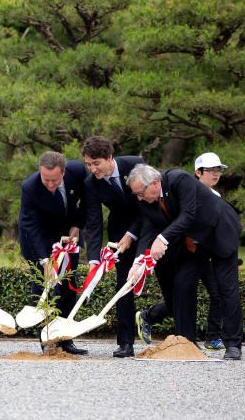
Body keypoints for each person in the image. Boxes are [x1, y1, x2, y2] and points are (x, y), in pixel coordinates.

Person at [126, 163, 243, 360]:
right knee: (182, 283)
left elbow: (188, 214)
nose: (139, 198)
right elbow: (148, 227)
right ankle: (185, 341)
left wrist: (161, 239)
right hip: (193, 243)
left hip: (220, 231)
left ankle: (233, 345)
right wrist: (137, 263)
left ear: (154, 184)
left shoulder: (179, 179)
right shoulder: (146, 200)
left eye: (140, 193)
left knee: (226, 288)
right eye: (136, 194)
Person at [137, 152, 227, 349]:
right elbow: (170, 222)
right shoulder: (180, 189)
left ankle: (211, 336)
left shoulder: (216, 197)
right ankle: (157, 322)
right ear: (197, 172)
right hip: (184, 250)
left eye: (218, 170)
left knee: (217, 293)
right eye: (211, 170)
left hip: (205, 252)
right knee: (180, 293)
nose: (215, 174)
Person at [19, 151, 89, 355]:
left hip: (68, 236)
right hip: (38, 238)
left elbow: (88, 202)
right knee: (44, 286)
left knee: (68, 284)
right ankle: (46, 339)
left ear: (64, 173)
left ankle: (66, 338)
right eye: (45, 179)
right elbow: (31, 227)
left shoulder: (78, 172)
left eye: (54, 180)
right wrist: (45, 260)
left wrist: (77, 225)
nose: (50, 184)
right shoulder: (29, 187)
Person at [80, 136, 143, 358]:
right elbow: (94, 222)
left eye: (96, 163)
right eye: (88, 164)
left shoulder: (136, 165)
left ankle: (172, 330)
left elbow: (146, 204)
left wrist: (132, 234)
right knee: (123, 284)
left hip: (148, 225)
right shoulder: (90, 183)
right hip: (119, 232)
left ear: (110, 158)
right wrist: (94, 260)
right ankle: (125, 343)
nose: (92, 169)